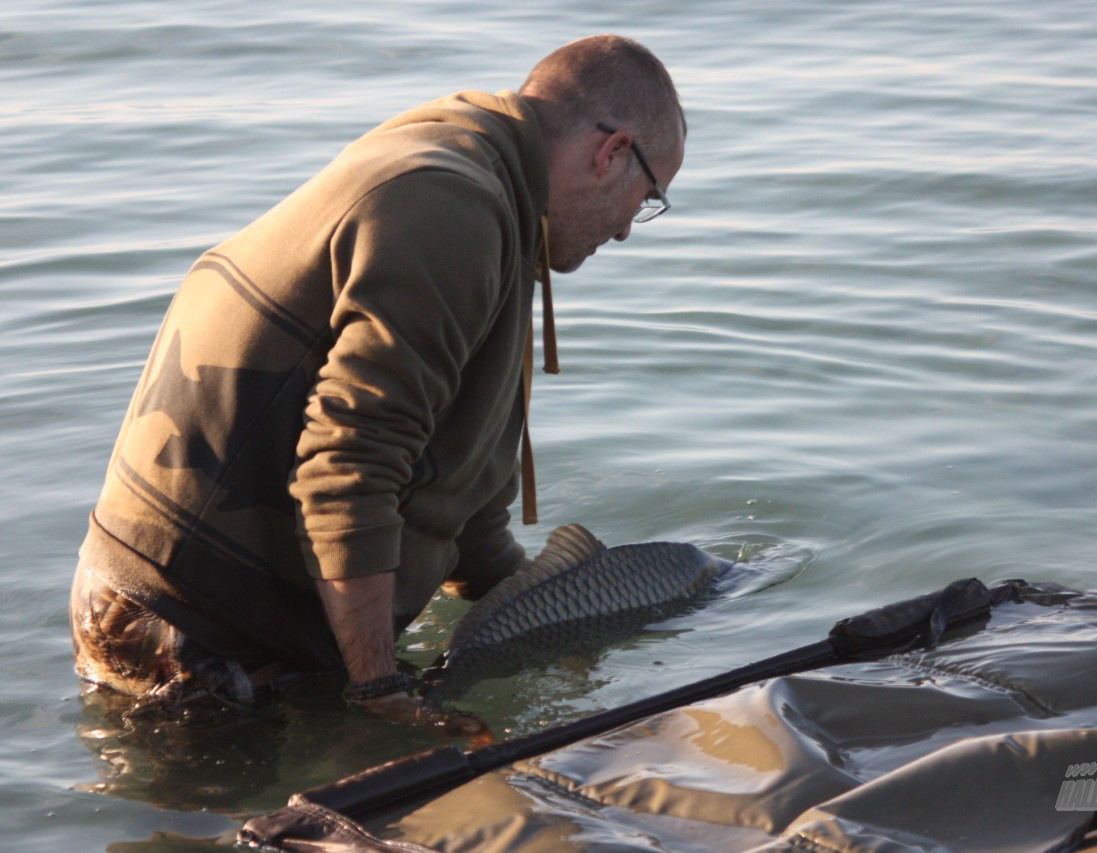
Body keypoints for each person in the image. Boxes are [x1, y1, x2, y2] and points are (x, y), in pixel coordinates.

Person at [69, 34, 686, 725]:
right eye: (651, 194)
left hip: (192, 604)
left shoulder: (477, 178)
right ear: (612, 153)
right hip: (196, 630)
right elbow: (349, 463)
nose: (632, 229)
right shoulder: (455, 208)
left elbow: (464, 509)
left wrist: (561, 617)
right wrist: (377, 691)